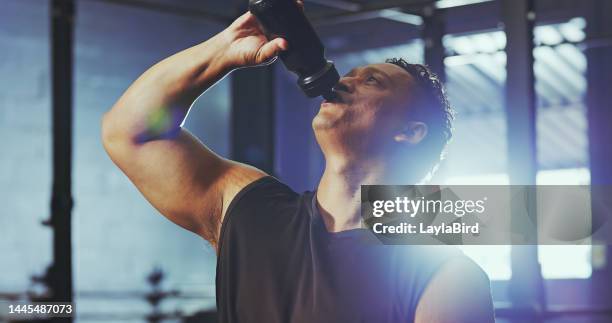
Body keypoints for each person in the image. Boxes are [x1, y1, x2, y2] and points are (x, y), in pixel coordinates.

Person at [101, 2, 495, 322]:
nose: (343, 81)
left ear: (410, 132)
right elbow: (130, 132)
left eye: (372, 81)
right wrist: (224, 50)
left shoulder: (446, 276)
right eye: (353, 74)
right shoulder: (250, 210)